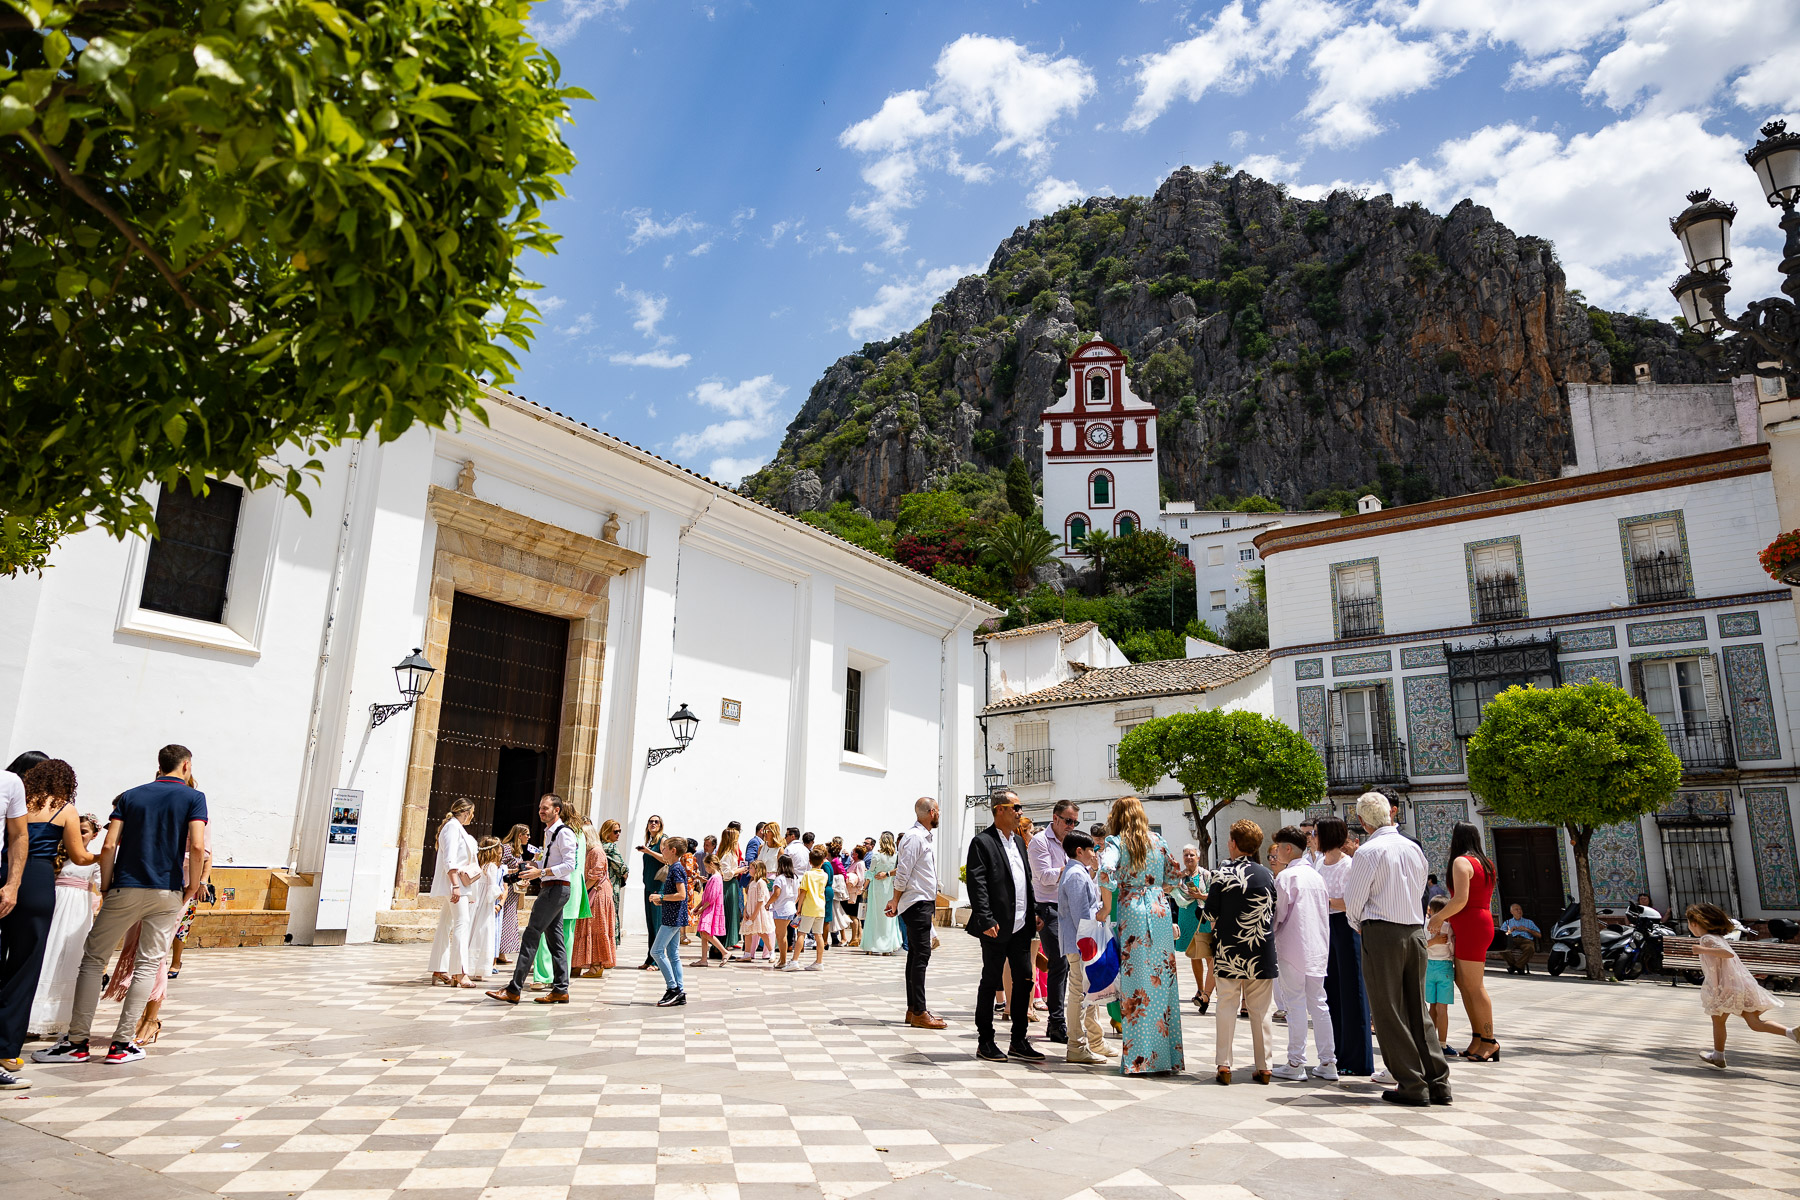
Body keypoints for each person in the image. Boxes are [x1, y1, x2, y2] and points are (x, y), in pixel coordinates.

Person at [33, 745, 207, 1068]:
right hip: (167, 890)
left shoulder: (130, 796)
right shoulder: (194, 798)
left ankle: (77, 1042)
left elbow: (110, 843)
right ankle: (121, 1044)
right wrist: (193, 886)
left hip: (126, 884)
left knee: (93, 958)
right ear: (186, 766)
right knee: (148, 963)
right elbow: (197, 845)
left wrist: (107, 884)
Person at [1343, 791, 1451, 1108]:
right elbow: (1419, 889)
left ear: (1362, 821)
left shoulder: (1368, 852)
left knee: (1388, 1010)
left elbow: (1354, 902)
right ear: (1391, 814)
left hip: (1382, 932)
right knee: (1417, 1008)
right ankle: (1438, 1082)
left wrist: (1358, 924)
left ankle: (1411, 1083)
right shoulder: (1413, 848)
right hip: (1415, 931)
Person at [1, 761, 91, 1086]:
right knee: (25, 967)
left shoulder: (17, 799)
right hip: (37, 878)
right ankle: (7, 1050)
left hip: (5, 870)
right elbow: (79, 857)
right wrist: (106, 855)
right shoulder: (65, 809)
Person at [965, 792, 1043, 1063]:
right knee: (991, 981)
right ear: (1000, 810)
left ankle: (1019, 1040)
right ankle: (984, 1040)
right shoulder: (982, 842)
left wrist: (1034, 912)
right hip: (996, 927)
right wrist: (985, 918)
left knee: (1025, 979)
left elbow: (1026, 880)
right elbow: (977, 884)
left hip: (1021, 925)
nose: (1020, 812)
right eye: (1016, 807)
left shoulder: (1019, 842)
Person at [486, 794, 578, 1006]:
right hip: (552, 888)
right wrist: (533, 869)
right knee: (556, 941)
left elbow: (569, 865)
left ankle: (514, 989)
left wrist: (542, 873)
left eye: (545, 808)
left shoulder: (564, 833)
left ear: (557, 810)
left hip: (555, 890)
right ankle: (561, 990)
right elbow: (553, 863)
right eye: (540, 808)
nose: (541, 811)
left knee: (530, 935)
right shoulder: (550, 833)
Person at [1206, 819, 1277, 1085]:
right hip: (1261, 949)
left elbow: (1210, 912)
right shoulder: (1267, 874)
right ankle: (1265, 1066)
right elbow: (1274, 909)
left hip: (1229, 950)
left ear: (1234, 844)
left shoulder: (1222, 874)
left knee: (1226, 1006)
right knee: (1261, 1011)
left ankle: (1224, 1065)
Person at [1686, 902, 1797, 1068]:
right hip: (1739, 986)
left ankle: (1718, 1056)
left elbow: (1727, 954)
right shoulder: (1716, 937)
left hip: (1725, 989)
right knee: (1755, 1023)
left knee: (1718, 1021)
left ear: (1694, 923)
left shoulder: (1707, 939)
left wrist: (1702, 950)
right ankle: (1791, 1033)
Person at [1268, 825, 1337, 1082]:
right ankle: (1328, 1061)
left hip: (1292, 947)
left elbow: (1278, 915)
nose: (1276, 857)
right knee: (1319, 1003)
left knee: (1295, 1004)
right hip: (1318, 948)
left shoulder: (1286, 877)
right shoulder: (1317, 877)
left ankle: (1296, 1062)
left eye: (1278, 851)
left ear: (1288, 849)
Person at [1427, 821, 1498, 1062]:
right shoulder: (1486, 864)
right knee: (1465, 983)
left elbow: (1459, 900)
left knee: (1474, 986)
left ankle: (1489, 1041)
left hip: (1471, 925)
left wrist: (1437, 917)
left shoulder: (1461, 862)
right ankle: (1478, 1037)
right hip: (1479, 922)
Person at [27, 814, 102, 1043]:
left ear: (94, 835)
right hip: (54, 908)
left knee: (70, 959)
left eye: (84, 832)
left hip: (77, 915)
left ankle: (64, 1020)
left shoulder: (94, 861)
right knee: (47, 955)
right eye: (75, 830)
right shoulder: (56, 855)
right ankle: (34, 1018)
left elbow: (104, 885)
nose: (79, 835)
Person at [1316, 816, 1373, 1076]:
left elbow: (1352, 902)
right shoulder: (1319, 863)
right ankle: (1337, 1052)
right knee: (1332, 991)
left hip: (1346, 927)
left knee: (1352, 991)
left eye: (1317, 833)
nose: (1313, 838)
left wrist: (1325, 900)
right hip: (1325, 928)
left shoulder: (1349, 865)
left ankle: (1358, 1058)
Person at [1055, 830, 1111, 1065]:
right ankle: (1076, 1045)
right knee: (1078, 994)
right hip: (1080, 943)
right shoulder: (1076, 875)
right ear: (1080, 851)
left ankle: (1092, 1041)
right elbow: (1081, 916)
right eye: (1092, 850)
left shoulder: (1078, 872)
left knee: (1086, 993)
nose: (1094, 854)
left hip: (1081, 942)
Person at [889, 798, 944, 1029]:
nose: (939, 814)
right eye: (937, 810)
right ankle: (920, 1011)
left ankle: (913, 1009)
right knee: (921, 956)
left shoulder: (922, 837)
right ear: (931, 812)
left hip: (921, 901)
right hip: (916, 902)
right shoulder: (914, 837)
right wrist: (895, 899)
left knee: (915, 956)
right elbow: (904, 870)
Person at [1028, 800, 1077, 1045]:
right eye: (1068, 821)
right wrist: (1071, 868)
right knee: (1058, 963)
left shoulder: (1070, 843)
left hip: (1068, 907)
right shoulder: (1040, 842)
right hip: (1047, 907)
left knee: (1067, 964)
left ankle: (1059, 1020)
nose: (1071, 826)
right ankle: (1057, 1022)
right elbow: (1045, 877)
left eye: (1075, 822)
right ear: (1055, 818)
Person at [427, 799, 480, 987]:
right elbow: (449, 859)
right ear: (466, 812)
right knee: (462, 923)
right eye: (472, 813)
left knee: (446, 923)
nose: (473, 817)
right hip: (456, 884)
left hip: (459, 884)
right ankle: (460, 971)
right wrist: (455, 885)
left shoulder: (457, 828)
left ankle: (439, 968)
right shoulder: (452, 828)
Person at [534, 812, 590, 988]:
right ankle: (560, 976)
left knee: (545, 932)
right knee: (566, 934)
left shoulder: (560, 832)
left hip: (557, 884)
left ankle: (543, 976)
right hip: (574, 888)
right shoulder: (580, 835)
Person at [645, 835, 688, 1006]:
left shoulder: (676, 868)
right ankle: (679, 990)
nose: (661, 850)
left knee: (656, 952)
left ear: (673, 851)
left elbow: (682, 895)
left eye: (664, 848)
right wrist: (662, 900)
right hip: (674, 916)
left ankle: (673, 989)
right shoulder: (675, 867)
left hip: (672, 918)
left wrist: (661, 896)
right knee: (673, 955)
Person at [573, 817, 618, 979]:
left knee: (596, 927)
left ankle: (597, 965)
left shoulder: (597, 851)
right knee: (584, 927)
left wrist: (582, 891)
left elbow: (595, 875)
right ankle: (577, 964)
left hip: (597, 893)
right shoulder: (589, 852)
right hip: (592, 891)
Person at [1173, 844, 1214, 1014]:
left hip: (1203, 917)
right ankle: (1200, 988)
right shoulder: (1180, 877)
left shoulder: (1206, 875)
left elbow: (1214, 896)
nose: (1189, 858)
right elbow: (1170, 891)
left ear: (1198, 857)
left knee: (1209, 954)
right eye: (1186, 855)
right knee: (1194, 954)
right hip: (1187, 917)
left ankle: (1210, 990)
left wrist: (1200, 896)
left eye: (1192, 855)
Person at [466, 837, 503, 981]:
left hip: (474, 902)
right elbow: (492, 889)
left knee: (471, 931)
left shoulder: (478, 865)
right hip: (485, 906)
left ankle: (467, 966)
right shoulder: (491, 867)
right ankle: (478, 968)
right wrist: (499, 895)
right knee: (483, 933)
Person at [495, 824, 532, 965]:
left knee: (509, 919)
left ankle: (501, 951)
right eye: (527, 834)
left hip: (513, 890)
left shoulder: (517, 851)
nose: (529, 837)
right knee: (505, 919)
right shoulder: (507, 849)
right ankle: (499, 952)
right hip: (506, 888)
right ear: (519, 835)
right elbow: (499, 866)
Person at [1425, 896, 1456, 1058]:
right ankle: (1442, 1044)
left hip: (1428, 967)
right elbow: (1452, 948)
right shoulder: (1448, 927)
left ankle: (1429, 1042)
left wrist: (1433, 941)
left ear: (1429, 910)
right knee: (1442, 1008)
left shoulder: (1424, 926)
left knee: (1432, 1006)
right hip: (1444, 967)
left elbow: (1421, 945)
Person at [862, 831, 902, 954]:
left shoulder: (877, 856)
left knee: (874, 916)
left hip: (876, 889)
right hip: (889, 888)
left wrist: (864, 888)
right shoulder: (896, 856)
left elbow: (870, 873)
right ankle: (887, 947)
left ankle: (872, 946)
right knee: (888, 917)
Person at [635, 814, 666, 970]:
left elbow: (666, 859)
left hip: (658, 887)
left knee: (657, 924)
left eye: (656, 822)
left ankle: (657, 961)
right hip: (648, 885)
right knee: (651, 925)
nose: (653, 824)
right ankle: (650, 958)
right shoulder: (650, 840)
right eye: (650, 821)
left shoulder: (662, 840)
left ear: (660, 825)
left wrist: (648, 851)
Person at [792, 848, 829, 972]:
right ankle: (819, 962)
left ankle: (795, 960)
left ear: (810, 861)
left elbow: (803, 891)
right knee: (818, 935)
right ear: (822, 861)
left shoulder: (808, 874)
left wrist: (799, 907)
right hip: (820, 907)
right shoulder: (824, 875)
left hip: (809, 907)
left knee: (801, 933)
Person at [691, 854, 728, 967]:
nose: (706, 869)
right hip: (708, 908)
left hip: (710, 909)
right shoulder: (714, 877)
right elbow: (706, 897)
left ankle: (724, 952)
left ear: (711, 864)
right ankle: (703, 959)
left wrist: (701, 909)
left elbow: (711, 898)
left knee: (706, 932)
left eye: (706, 866)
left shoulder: (716, 878)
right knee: (703, 933)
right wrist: (697, 907)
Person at [738, 860, 774, 961]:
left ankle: (771, 952)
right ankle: (747, 954)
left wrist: (754, 915)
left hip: (757, 913)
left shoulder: (761, 883)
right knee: (748, 933)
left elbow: (760, 900)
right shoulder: (752, 883)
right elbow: (749, 899)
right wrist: (745, 911)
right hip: (750, 911)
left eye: (752, 868)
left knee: (762, 932)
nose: (749, 869)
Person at [770, 851, 800, 969]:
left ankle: (783, 960)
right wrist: (793, 903)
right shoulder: (795, 877)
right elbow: (798, 893)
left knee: (781, 935)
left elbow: (776, 894)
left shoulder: (780, 878)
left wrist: (768, 903)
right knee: (784, 935)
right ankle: (783, 959)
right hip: (790, 908)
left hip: (780, 908)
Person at [600, 819, 628, 935]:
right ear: (607, 832)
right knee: (612, 913)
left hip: (601, 885)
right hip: (612, 884)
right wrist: (626, 872)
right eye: (615, 831)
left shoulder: (599, 846)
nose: (618, 834)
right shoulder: (611, 847)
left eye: (619, 831)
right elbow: (622, 868)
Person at [718, 826, 743, 953]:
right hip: (729, 885)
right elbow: (727, 873)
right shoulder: (727, 855)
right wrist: (740, 870)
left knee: (732, 913)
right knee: (729, 913)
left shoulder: (729, 853)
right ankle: (726, 943)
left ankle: (727, 942)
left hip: (731, 884)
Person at [1499, 904, 1541, 975]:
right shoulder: (1507, 922)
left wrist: (1527, 929)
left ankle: (1515, 967)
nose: (1519, 911)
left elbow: (1539, 935)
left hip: (1525, 940)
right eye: (1516, 909)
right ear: (1511, 912)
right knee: (1503, 949)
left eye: (1520, 909)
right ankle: (1518, 966)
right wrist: (1510, 931)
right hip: (1512, 939)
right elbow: (1502, 935)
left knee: (1530, 948)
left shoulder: (1529, 922)